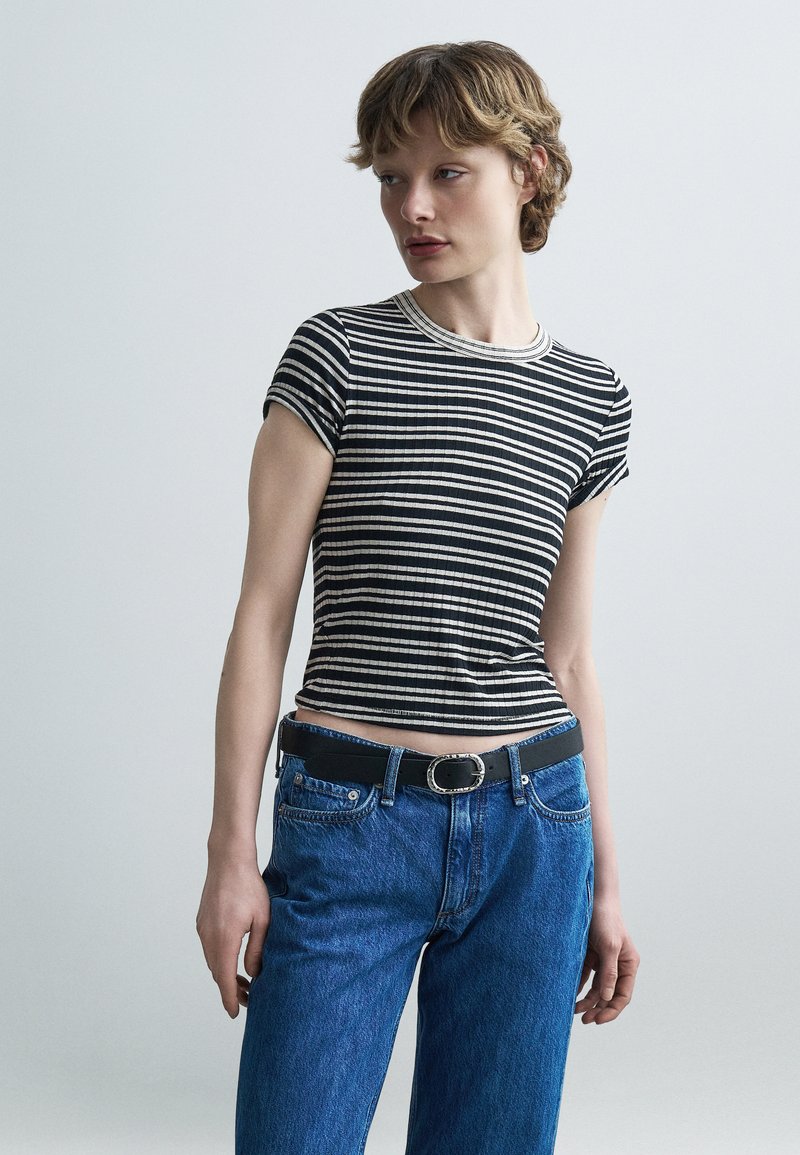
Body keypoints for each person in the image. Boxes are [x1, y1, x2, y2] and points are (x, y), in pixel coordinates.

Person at [196, 38, 641, 1155]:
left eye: (449, 172)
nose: (413, 206)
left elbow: (569, 657)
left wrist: (606, 880)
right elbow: (261, 615)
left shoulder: (591, 398)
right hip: (349, 820)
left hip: (536, 829)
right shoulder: (338, 356)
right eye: (391, 176)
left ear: (528, 170)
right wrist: (229, 856)